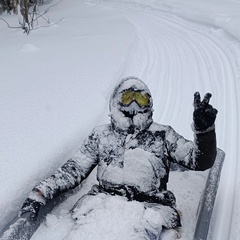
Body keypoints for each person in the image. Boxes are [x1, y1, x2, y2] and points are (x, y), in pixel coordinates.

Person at [20, 76, 217, 237]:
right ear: (115, 102)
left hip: (149, 209)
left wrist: (204, 131)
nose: (133, 104)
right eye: (127, 97)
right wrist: (40, 193)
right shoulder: (101, 135)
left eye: (141, 99)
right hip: (101, 204)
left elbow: (199, 160)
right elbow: (74, 169)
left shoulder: (162, 135)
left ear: (149, 104)